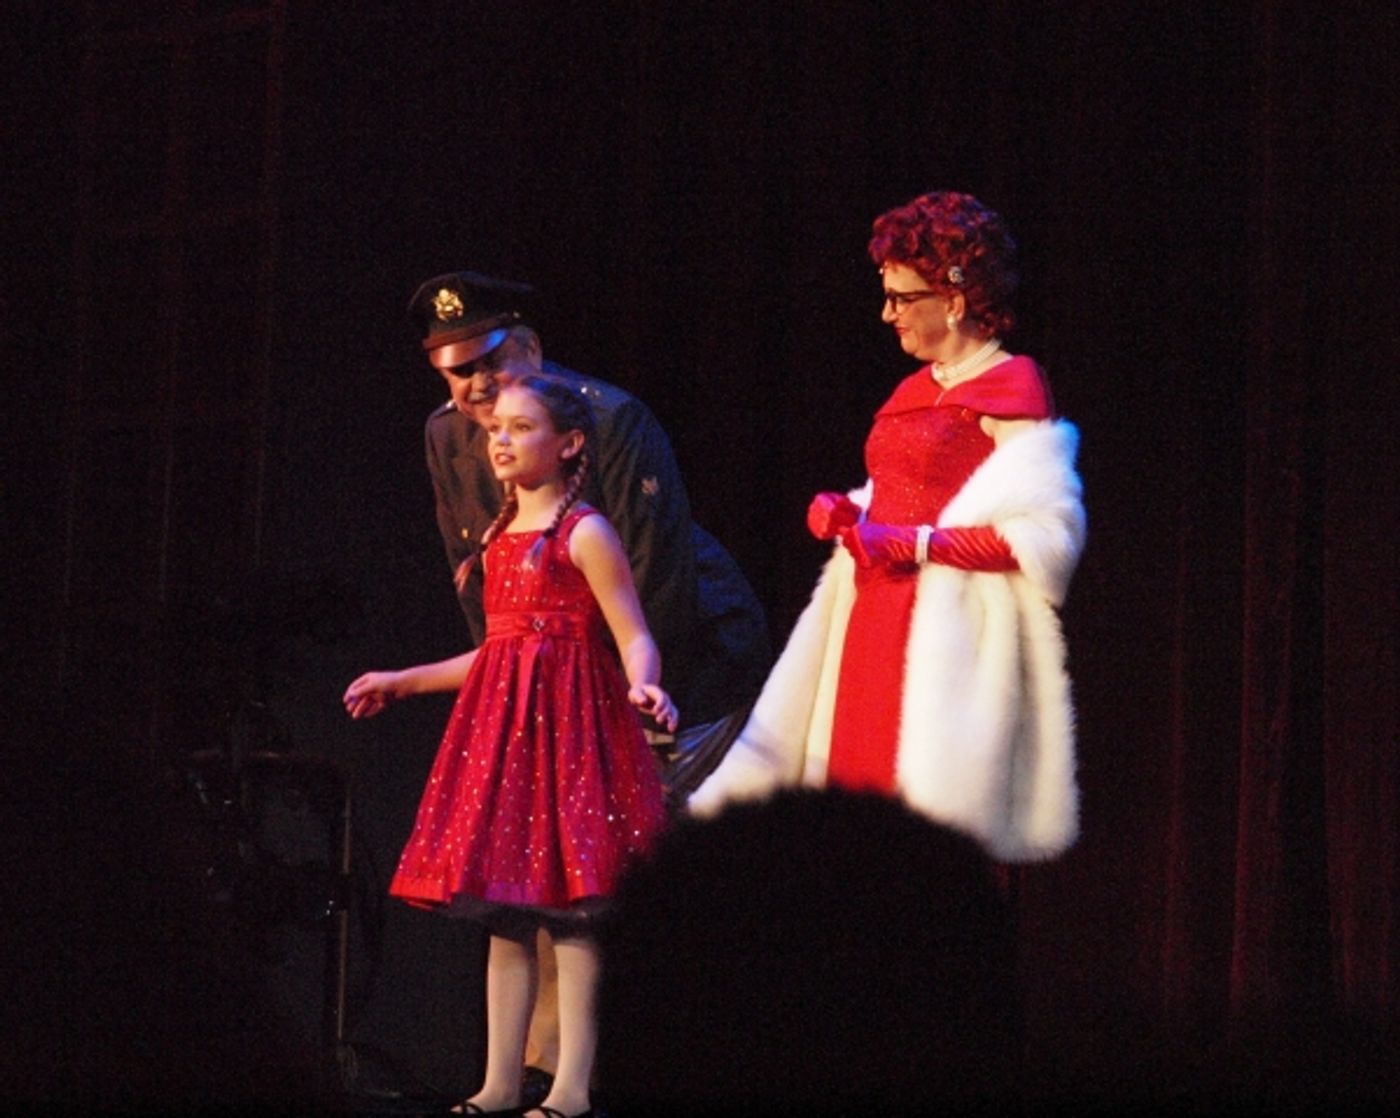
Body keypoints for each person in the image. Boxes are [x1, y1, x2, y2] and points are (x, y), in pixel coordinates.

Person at [406, 269, 770, 1091]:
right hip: (551, 676)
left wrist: (604, 713)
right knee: (531, 871)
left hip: (685, 662)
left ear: (531, 348)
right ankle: (534, 1080)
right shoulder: (448, 434)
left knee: (601, 873)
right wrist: (511, 708)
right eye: (454, 371)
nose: (472, 388)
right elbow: (486, 585)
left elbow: (657, 583)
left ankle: (592, 1076)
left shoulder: (607, 421)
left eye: (489, 364)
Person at [690, 190, 1086, 863]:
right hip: (870, 618)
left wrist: (917, 543)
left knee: (921, 829)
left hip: (942, 633)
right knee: (849, 810)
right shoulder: (912, 389)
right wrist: (852, 511)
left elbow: (1046, 536)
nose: (887, 313)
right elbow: (909, 492)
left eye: (902, 298)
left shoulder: (1012, 387)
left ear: (953, 299)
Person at [343, 373, 674, 1118]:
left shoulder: (584, 533)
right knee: (507, 917)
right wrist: (404, 679)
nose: (500, 439)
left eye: (522, 428)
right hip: (506, 741)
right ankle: (497, 1083)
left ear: (570, 443)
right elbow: (494, 654)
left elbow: (634, 634)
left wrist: (645, 684)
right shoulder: (496, 542)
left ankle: (573, 1088)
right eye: (496, 429)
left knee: (574, 916)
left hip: (572, 737)